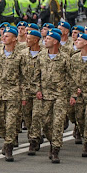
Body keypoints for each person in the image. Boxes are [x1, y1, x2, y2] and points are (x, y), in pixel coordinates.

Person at [30, 30, 71, 163]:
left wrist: (73, 95)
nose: (45, 40)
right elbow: (35, 77)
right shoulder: (41, 57)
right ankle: (52, 140)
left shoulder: (65, 58)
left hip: (60, 95)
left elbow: (71, 78)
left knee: (58, 123)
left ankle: (55, 150)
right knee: (46, 123)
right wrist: (37, 90)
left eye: (48, 38)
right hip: (45, 95)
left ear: (55, 41)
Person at [0, 26, 23, 161]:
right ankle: (6, 138)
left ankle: (9, 146)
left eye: (7, 36)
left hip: (14, 93)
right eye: (3, 35)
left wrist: (24, 94)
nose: (4, 38)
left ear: (15, 38)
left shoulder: (20, 55)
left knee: (11, 122)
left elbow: (25, 76)